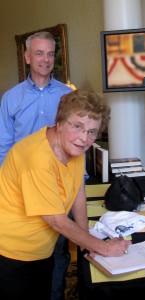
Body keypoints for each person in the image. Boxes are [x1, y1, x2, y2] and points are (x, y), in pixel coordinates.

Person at [0, 89, 131, 300]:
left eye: (92, 131)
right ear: (59, 123)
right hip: (14, 254)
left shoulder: (73, 148)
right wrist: (103, 247)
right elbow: (57, 220)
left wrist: (85, 239)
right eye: (77, 126)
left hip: (41, 248)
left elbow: (78, 190)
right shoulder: (37, 159)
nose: (84, 138)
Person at [0, 31, 73, 300]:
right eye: (39, 53)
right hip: (20, 190)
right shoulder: (11, 98)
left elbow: (76, 143)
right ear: (28, 57)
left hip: (58, 186)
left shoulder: (68, 97)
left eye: (51, 53)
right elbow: (3, 146)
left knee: (58, 250)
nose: (45, 59)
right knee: (21, 254)